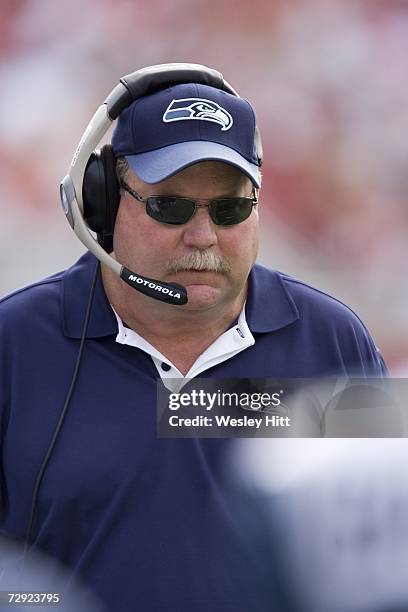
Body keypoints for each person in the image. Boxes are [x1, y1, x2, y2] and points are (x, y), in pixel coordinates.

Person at [0, 64, 387, 612]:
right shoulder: (13, 345)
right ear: (104, 202)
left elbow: (379, 560)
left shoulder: (334, 341)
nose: (203, 236)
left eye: (230, 209)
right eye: (170, 206)